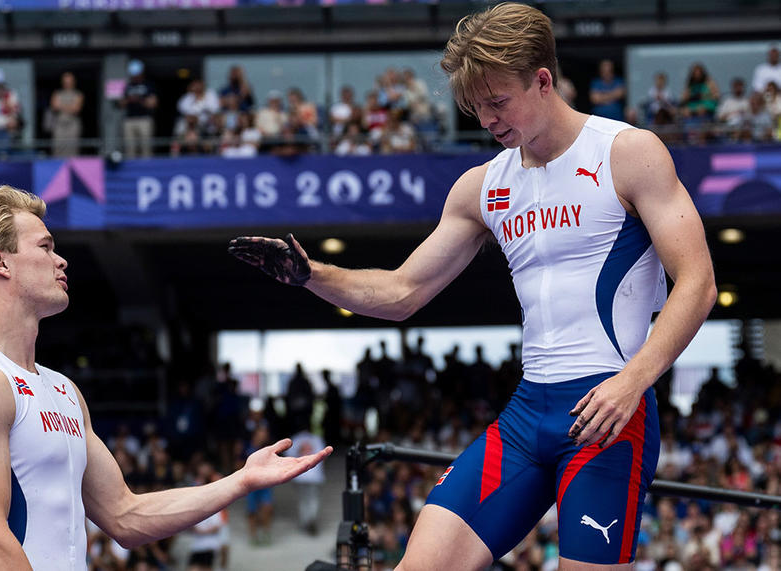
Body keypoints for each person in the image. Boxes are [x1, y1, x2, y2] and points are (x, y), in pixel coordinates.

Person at [229, 3, 716, 569]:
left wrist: (634, 380)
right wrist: (312, 275)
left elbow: (699, 283)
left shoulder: (628, 152)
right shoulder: (482, 186)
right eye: (475, 107)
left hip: (609, 413)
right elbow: (402, 291)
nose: (486, 120)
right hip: (528, 412)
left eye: (497, 101)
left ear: (543, 80)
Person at [0, 185, 331, 569]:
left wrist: (241, 481)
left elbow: (125, 516)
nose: (60, 260)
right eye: (45, 247)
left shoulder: (63, 389)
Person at [120, 59, 158, 159]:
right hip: (130, 119)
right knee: (130, 148)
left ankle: (147, 170)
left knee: (146, 147)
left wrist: (139, 100)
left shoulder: (148, 85)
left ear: (141, 72)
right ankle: (131, 171)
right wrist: (129, 100)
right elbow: (121, 103)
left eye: (137, 74)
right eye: (133, 74)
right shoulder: (127, 86)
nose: (135, 77)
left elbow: (153, 103)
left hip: (144, 119)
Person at [49, 71, 84, 157]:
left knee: (72, 148)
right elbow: (54, 106)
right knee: (58, 148)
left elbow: (76, 109)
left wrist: (61, 106)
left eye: (69, 81)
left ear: (73, 82)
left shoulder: (78, 94)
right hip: (59, 124)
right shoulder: (57, 93)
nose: (67, 84)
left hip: (72, 125)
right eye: (65, 82)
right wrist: (70, 106)